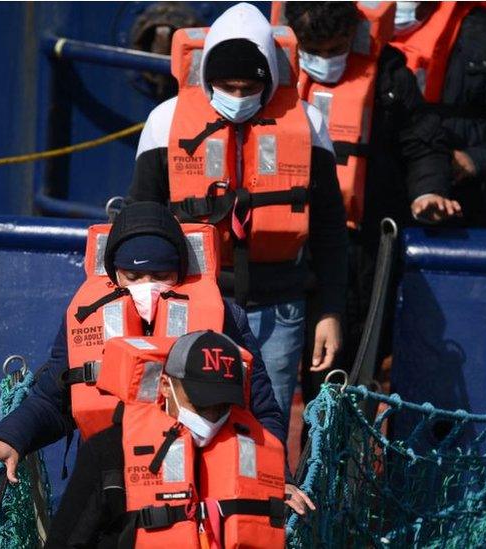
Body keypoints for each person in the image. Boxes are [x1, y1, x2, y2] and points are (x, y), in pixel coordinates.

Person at [0, 202, 295, 493]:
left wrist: (278, 478)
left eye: (161, 275)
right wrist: (11, 437)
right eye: (133, 277)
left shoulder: (225, 318)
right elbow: (54, 397)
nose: (147, 287)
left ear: (180, 271)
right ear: (115, 274)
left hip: (202, 477)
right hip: (112, 478)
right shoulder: (87, 318)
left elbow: (262, 409)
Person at [128, 3, 348, 424]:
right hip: (193, 301)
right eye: (228, 86)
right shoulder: (164, 124)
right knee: (186, 419)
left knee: (270, 423)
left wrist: (330, 311)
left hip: (279, 308)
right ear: (208, 78)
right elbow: (140, 223)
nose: (238, 97)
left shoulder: (309, 126)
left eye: (249, 87)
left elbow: (329, 232)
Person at [276, 1, 463, 424]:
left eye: (336, 48)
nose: (325, 61)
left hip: (353, 246)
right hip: (284, 246)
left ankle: (331, 474)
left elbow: (423, 142)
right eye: (315, 51)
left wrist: (427, 191)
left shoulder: (389, 72)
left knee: (343, 372)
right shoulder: (271, 69)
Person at [45, 330, 309, 547]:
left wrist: (275, 489)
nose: (212, 416)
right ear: (165, 387)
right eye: (201, 404)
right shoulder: (109, 451)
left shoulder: (250, 452)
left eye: (223, 406)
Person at [390, 1, 486, 228]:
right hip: (384, 208)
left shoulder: (484, 34)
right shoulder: (352, 35)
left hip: (467, 209)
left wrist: (472, 161)